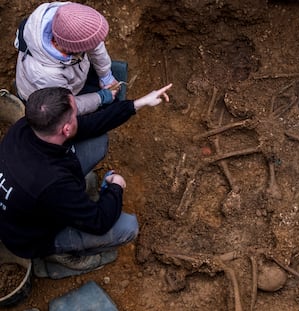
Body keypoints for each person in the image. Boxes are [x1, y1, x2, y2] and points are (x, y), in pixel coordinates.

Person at [0, 83, 172, 278]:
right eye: (75, 114)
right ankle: (62, 255)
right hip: (31, 237)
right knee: (127, 227)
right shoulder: (52, 184)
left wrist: (137, 104)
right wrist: (115, 187)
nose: (79, 115)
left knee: (96, 141)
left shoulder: (27, 126)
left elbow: (90, 125)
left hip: (31, 203)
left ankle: (73, 207)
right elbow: (99, 222)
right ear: (65, 129)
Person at [15, 1, 121, 114]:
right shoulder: (46, 74)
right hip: (43, 99)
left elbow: (95, 44)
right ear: (72, 48)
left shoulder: (70, 18)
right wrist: (101, 98)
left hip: (73, 75)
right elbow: (65, 105)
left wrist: (105, 75)